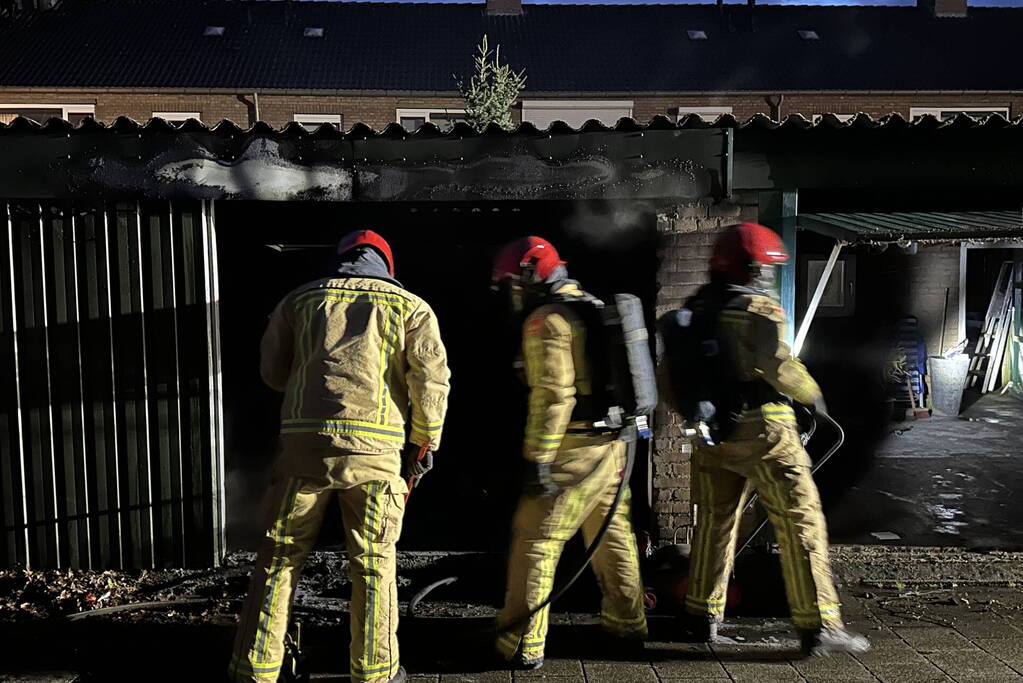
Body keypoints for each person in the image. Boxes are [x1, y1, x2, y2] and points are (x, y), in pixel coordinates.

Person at [229, 230, 450, 683]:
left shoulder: (298, 301)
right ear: (387, 266)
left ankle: (256, 670)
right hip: (377, 453)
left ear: (341, 259)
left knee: (279, 556)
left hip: (303, 452)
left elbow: (272, 373)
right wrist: (425, 445)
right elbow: (430, 384)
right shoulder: (412, 308)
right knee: (373, 562)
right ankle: (375, 672)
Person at [678, 222, 869, 657]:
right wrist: (815, 396)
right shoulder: (759, 309)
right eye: (762, 268)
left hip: (713, 438)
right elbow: (778, 364)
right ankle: (820, 625)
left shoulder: (698, 309)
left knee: (714, 524)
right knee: (801, 520)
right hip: (766, 432)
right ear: (750, 267)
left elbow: (675, 378)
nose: (764, 276)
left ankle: (700, 616)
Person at [491, 236, 647, 670]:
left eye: (512, 284)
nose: (511, 293)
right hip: (613, 446)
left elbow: (554, 397)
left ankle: (522, 643)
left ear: (528, 277)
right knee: (612, 536)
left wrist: (539, 459)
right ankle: (627, 626)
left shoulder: (547, 321)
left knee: (537, 540)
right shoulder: (589, 305)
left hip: (574, 448)